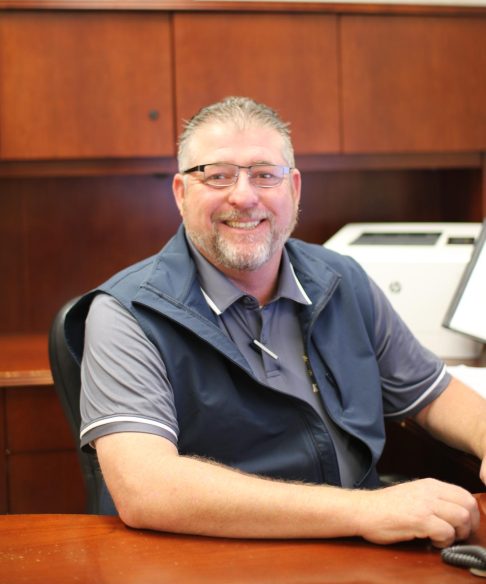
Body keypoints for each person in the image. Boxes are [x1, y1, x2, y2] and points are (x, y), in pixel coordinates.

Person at [67, 96, 486, 548]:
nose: (244, 196)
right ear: (181, 194)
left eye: (266, 175)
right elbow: (147, 489)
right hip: (214, 561)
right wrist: (366, 509)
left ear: (295, 190)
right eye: (218, 175)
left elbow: (431, 392)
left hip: (360, 553)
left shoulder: (341, 280)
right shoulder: (127, 312)